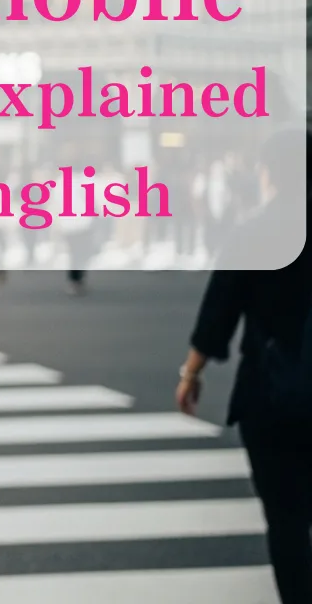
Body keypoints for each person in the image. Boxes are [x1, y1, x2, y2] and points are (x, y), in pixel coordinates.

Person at [176, 128, 311, 604]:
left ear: (270, 172)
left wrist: (191, 373)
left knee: (286, 518)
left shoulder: (253, 233)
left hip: (269, 395)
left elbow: (218, 314)